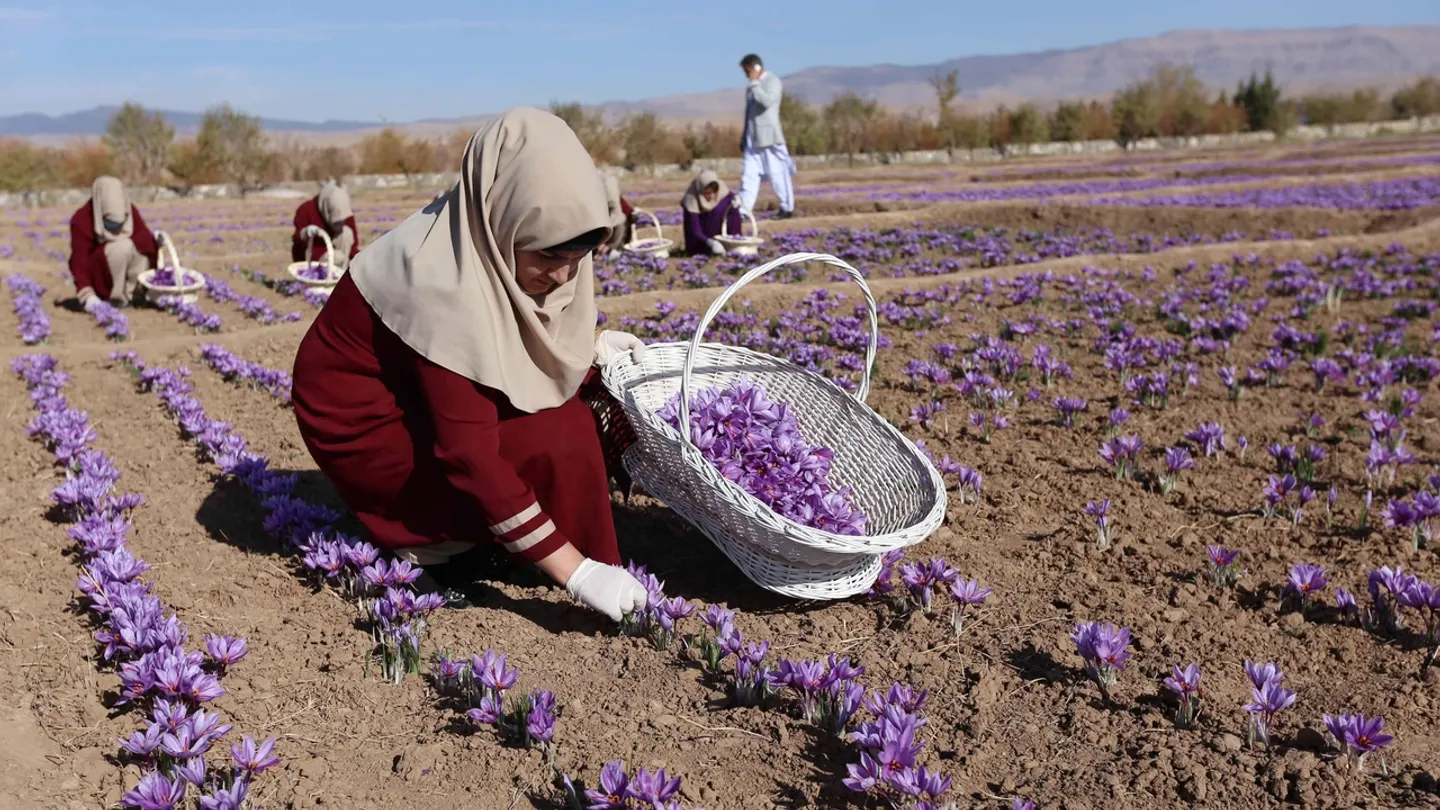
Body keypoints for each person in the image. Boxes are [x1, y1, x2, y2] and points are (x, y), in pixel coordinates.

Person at [291, 108, 651, 623]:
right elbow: (468, 455)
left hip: (418, 385)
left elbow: (509, 339)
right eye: (549, 257)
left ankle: (512, 534)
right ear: (505, 223)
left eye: (581, 255)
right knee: (555, 435)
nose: (565, 276)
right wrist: (578, 572)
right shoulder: (443, 284)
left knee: (568, 412)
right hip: (366, 421)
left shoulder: (499, 236)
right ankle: (426, 545)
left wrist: (587, 349)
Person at [68, 176, 159, 311]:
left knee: (139, 251)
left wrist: (156, 242)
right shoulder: (82, 219)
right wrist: (87, 294)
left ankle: (135, 295)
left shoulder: (129, 210)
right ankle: (115, 299)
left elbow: (145, 240)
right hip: (101, 275)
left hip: (124, 264)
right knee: (122, 247)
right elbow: (79, 259)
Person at [737, 53, 796, 219]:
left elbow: (767, 102)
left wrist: (755, 83)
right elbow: (749, 114)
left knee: (778, 173)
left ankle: (787, 207)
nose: (746, 75)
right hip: (753, 139)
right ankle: (743, 211)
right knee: (748, 176)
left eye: (747, 71)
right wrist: (744, 137)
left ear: (755, 67)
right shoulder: (751, 86)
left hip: (769, 137)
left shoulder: (772, 81)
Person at [292, 182, 360, 270]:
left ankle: (341, 275)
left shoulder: (345, 212)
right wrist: (305, 233)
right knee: (338, 257)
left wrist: (359, 260)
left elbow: (353, 246)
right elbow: (297, 242)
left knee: (346, 233)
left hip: (340, 254)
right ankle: (330, 277)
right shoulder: (306, 210)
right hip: (314, 255)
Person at [680, 169, 742, 256]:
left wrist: (736, 198)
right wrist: (710, 242)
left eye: (714, 192)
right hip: (701, 239)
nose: (712, 196)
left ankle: (732, 242)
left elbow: (730, 196)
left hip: (718, 230)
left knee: (731, 206)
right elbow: (694, 229)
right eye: (708, 193)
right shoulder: (691, 198)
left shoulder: (721, 189)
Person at [596, 172, 635, 256]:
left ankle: (611, 251)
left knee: (620, 222)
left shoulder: (609, 185)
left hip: (616, 220)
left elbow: (616, 213)